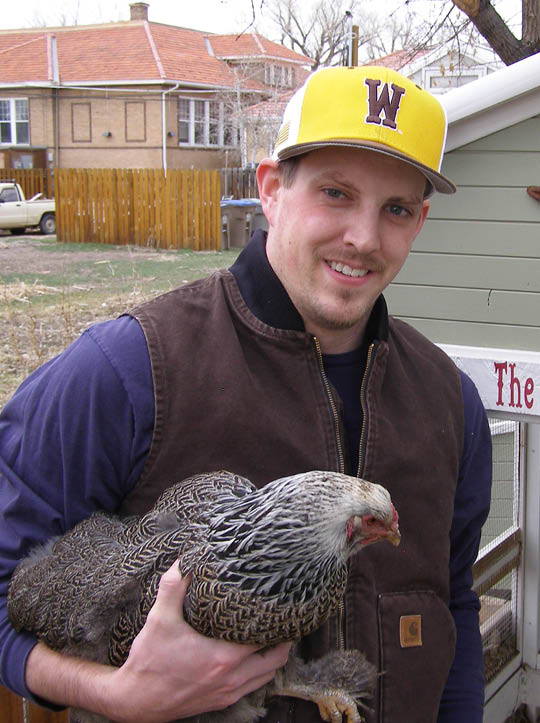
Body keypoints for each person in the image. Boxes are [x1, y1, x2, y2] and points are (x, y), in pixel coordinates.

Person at [0, 65, 492, 723]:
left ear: (420, 220)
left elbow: (451, 606)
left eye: (395, 209)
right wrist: (118, 694)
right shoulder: (128, 369)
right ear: (270, 189)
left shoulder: (449, 401)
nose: (364, 238)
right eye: (336, 193)